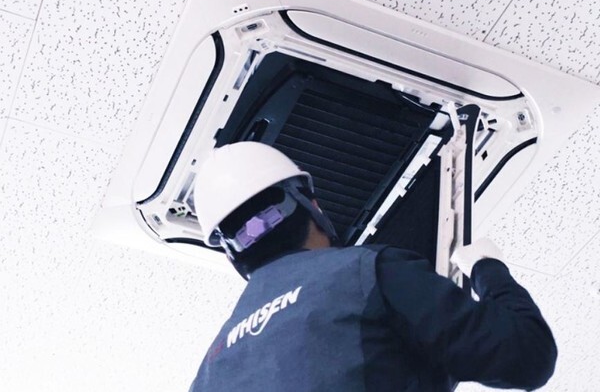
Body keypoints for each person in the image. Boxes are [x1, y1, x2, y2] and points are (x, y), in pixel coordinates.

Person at [189, 141, 557, 392]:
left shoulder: (207, 372)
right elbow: (527, 354)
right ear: (312, 206)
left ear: (233, 255)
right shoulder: (366, 271)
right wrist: (487, 268)